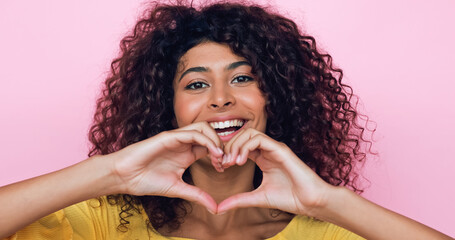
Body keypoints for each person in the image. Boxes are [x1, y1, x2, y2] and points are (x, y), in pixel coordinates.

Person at [0, 1, 452, 239]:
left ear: (274, 97)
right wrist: (112, 171)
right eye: (196, 85)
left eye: (242, 78)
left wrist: (327, 202)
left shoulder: (329, 228)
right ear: (167, 107)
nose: (220, 99)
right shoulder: (102, 224)